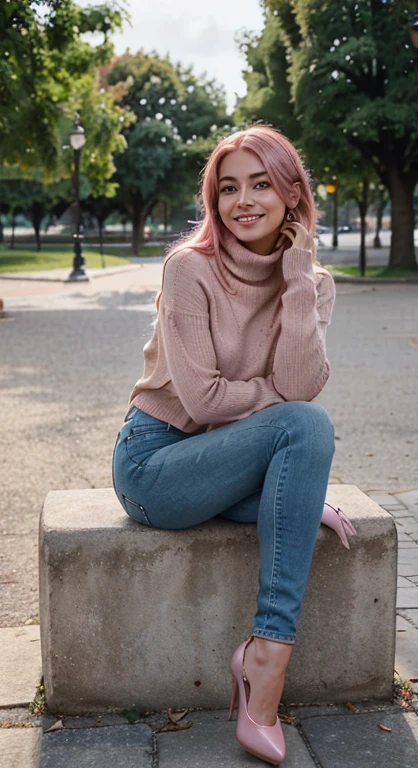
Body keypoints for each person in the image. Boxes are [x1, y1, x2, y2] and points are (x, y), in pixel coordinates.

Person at [112, 125, 356, 765]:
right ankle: (269, 661)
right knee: (307, 428)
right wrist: (277, 401)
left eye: (260, 183)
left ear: (291, 194)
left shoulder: (315, 284)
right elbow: (205, 402)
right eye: (227, 188)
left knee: (304, 427)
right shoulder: (189, 268)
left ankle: (261, 653)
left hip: (231, 458)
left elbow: (299, 384)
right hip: (155, 465)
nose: (242, 201)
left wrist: (297, 279)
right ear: (213, 199)